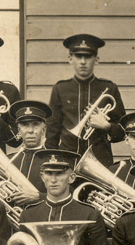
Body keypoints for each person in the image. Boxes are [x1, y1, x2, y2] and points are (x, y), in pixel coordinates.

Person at [45, 34, 126, 167]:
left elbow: (123, 132)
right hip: (68, 161)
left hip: (100, 162)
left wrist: (107, 126)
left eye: (88, 56)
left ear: (96, 59)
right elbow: (52, 133)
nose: (83, 61)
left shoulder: (109, 88)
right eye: (78, 56)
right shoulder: (60, 89)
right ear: (70, 59)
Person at [7, 100, 53, 196]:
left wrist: (39, 197)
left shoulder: (52, 161)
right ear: (19, 130)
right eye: (25, 125)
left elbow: (64, 196)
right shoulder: (8, 161)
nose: (31, 131)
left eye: (36, 124)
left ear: (44, 129)